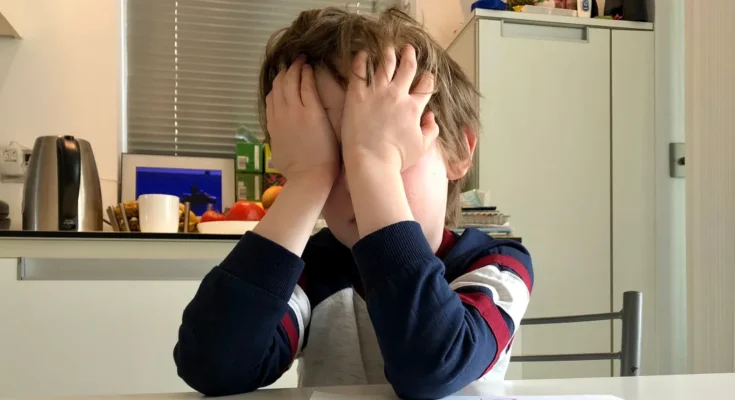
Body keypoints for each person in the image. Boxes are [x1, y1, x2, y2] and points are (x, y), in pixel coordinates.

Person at [173, 7, 533, 400]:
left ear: (460, 150)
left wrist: (373, 167)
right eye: (331, 150)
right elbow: (213, 366)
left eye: (386, 146)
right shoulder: (313, 269)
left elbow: (431, 368)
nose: (357, 177)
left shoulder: (498, 264)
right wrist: (308, 178)